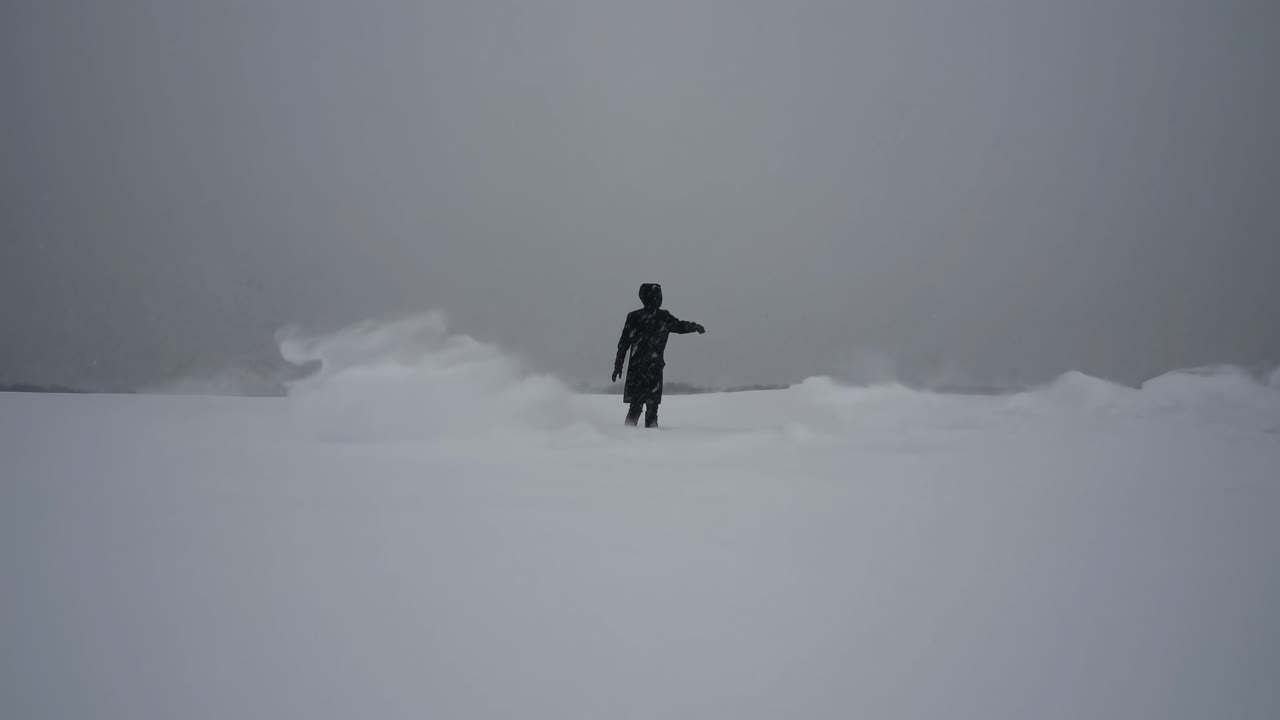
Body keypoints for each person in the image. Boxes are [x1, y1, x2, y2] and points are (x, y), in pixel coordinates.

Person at [612, 283, 705, 427]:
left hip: (647, 369)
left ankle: (645, 439)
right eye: (657, 296)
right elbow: (624, 343)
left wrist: (693, 326)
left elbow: (679, 326)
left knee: (644, 407)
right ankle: (635, 437)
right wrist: (618, 365)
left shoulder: (652, 317)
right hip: (647, 369)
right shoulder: (651, 317)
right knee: (644, 407)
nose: (659, 299)